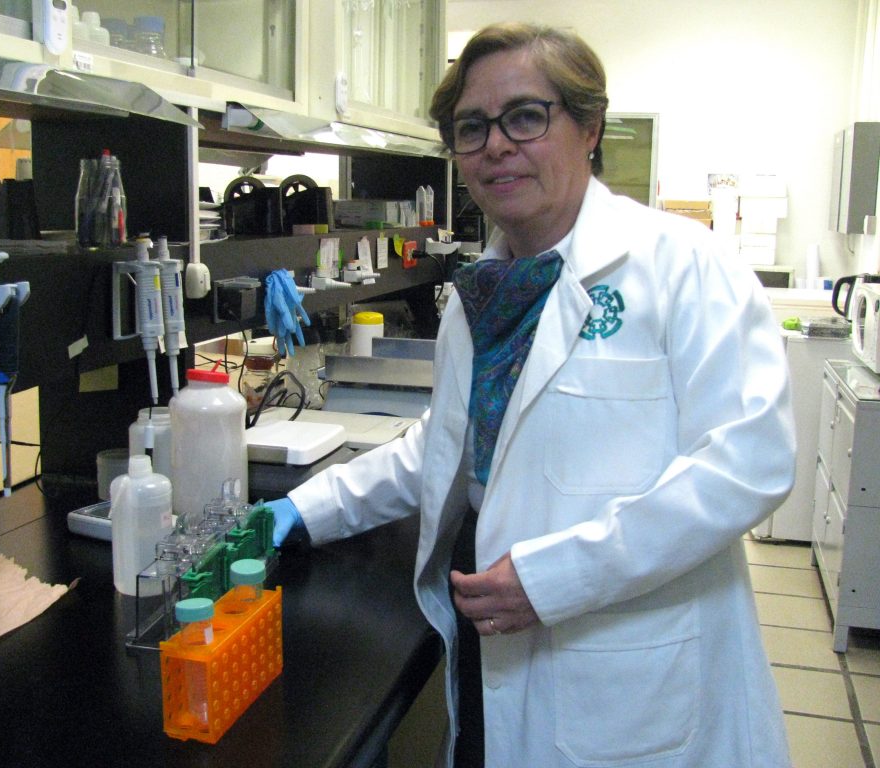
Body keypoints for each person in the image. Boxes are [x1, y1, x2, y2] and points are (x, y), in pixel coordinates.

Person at [269, 22, 796, 768]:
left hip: (630, 664)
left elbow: (749, 462)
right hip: (492, 636)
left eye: (525, 117)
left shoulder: (685, 266)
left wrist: (557, 578)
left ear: (590, 127)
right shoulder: (484, 292)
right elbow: (445, 451)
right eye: (472, 127)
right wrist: (303, 511)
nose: (496, 146)